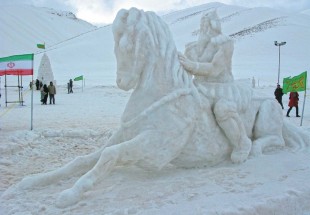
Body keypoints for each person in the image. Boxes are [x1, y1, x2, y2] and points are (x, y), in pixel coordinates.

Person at [178, 11, 252, 163]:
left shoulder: (224, 43)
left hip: (221, 88)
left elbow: (215, 68)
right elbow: (186, 72)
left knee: (222, 109)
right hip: (198, 87)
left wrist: (193, 65)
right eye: (203, 24)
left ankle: (241, 143)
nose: (205, 28)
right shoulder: (191, 47)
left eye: (209, 24)